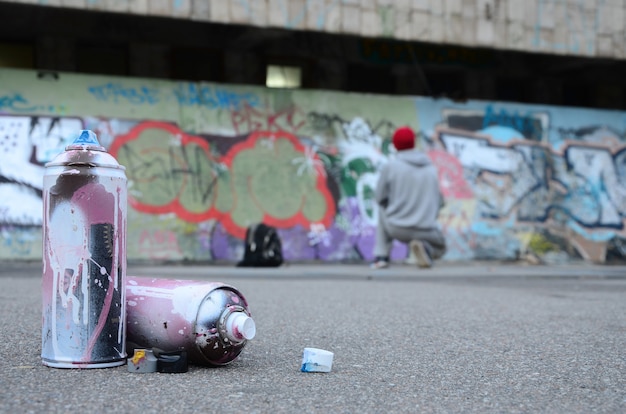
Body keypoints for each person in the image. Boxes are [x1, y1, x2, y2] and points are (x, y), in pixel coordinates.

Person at [371, 126, 446, 269]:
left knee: (381, 208)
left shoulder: (391, 167)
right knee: (441, 248)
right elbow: (440, 201)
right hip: (427, 230)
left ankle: (382, 257)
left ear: (395, 145)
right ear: (413, 142)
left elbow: (379, 197)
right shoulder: (431, 168)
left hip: (397, 228)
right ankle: (427, 251)